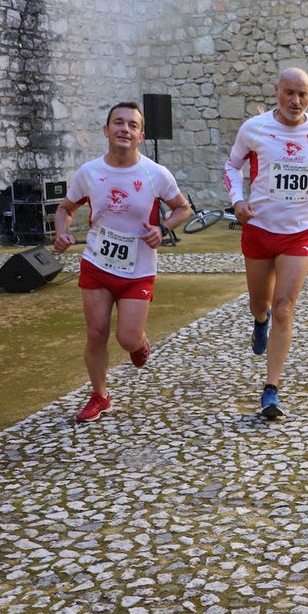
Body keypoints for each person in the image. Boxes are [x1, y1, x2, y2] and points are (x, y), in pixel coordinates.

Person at [52, 102, 191, 423]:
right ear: (106, 130)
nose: (124, 129)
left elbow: (182, 209)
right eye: (118, 123)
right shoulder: (90, 172)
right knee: (96, 332)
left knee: (127, 339)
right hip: (97, 264)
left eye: (131, 125)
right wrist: (62, 232)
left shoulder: (156, 174)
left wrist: (163, 228)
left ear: (140, 135)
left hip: (138, 269)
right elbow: (65, 208)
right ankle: (99, 395)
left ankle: (139, 343)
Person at [224, 68, 308, 418]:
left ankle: (271, 389)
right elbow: (232, 166)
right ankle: (258, 320)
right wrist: (237, 201)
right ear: (277, 91)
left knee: (284, 306)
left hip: (300, 229)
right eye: (289, 93)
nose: (296, 101)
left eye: (302, 95)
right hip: (259, 227)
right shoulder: (254, 128)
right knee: (260, 303)